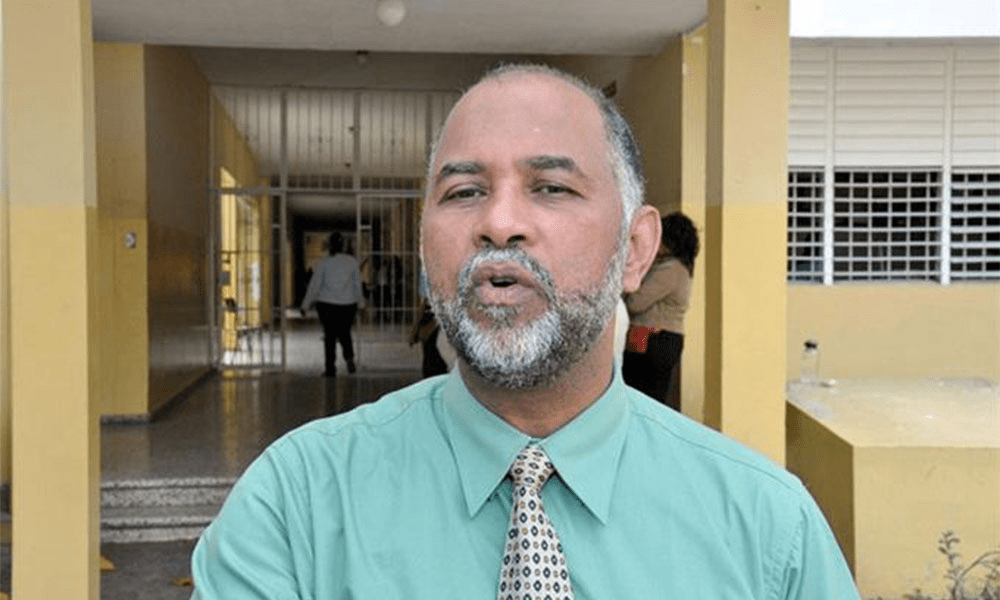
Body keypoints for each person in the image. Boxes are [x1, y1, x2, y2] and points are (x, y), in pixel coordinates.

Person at [191, 65, 860, 599]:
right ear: (426, 246)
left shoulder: (768, 530)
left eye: (551, 187)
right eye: (463, 192)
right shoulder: (295, 508)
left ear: (635, 250)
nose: (499, 223)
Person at [621, 211, 699, 409]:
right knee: (650, 397)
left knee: (641, 398)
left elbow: (635, 303)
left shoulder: (670, 269)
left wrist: (627, 286)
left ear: (670, 241)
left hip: (652, 339)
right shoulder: (680, 268)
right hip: (661, 339)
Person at [301, 232, 364, 376]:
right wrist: (361, 303)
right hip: (348, 305)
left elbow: (314, 285)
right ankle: (349, 358)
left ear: (330, 245)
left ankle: (330, 368)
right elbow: (357, 284)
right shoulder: (352, 262)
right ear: (343, 246)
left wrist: (305, 305)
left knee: (329, 336)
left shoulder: (323, 262)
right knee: (345, 333)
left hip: (327, 304)